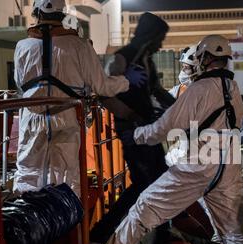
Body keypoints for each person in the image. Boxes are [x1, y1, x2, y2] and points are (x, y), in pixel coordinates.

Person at [89, 35, 243, 244]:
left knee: (148, 203)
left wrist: (136, 135)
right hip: (230, 162)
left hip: (199, 163)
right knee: (236, 228)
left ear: (203, 59)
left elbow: (166, 126)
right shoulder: (232, 86)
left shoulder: (199, 89)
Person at [13, 0, 145, 197]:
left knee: (28, 175)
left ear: (37, 13)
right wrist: (127, 81)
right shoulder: (80, 46)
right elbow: (103, 86)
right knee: (67, 178)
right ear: (62, 14)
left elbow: (19, 82)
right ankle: (69, 225)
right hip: (67, 116)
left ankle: (26, 222)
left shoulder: (22, 46)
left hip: (31, 118)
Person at [89, 12, 175, 244]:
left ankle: (161, 231)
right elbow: (104, 95)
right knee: (143, 183)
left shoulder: (146, 59)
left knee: (160, 179)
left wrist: (180, 108)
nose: (160, 45)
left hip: (148, 129)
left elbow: (156, 91)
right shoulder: (122, 58)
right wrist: (131, 115)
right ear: (150, 36)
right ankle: (101, 232)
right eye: (160, 39)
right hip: (132, 131)